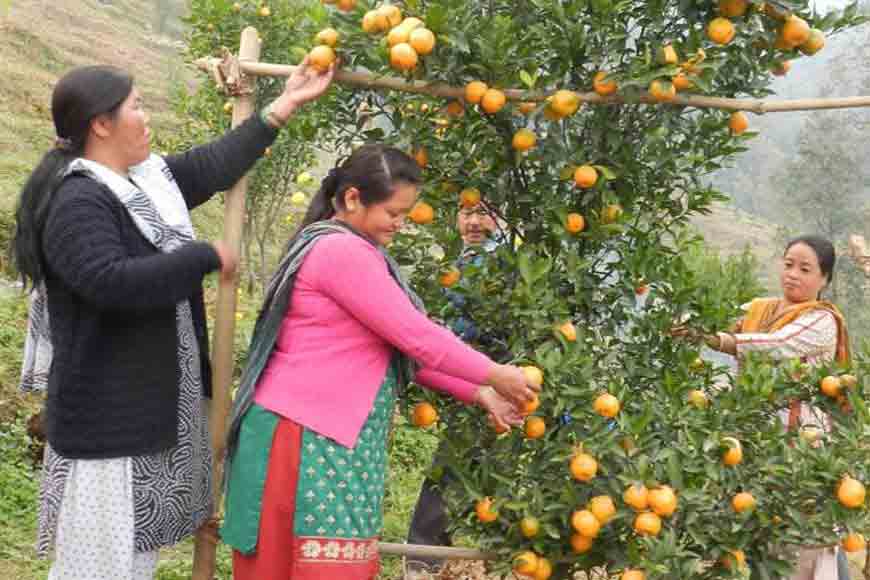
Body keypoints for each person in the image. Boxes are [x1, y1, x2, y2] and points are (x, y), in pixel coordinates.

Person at [12, 60, 334, 579]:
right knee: (99, 567)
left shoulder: (140, 184)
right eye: (136, 106)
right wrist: (202, 255)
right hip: (105, 420)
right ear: (101, 124)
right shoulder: (80, 199)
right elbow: (110, 283)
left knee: (133, 560)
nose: (146, 117)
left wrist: (285, 104)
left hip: (141, 410)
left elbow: (211, 166)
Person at [221, 145, 537, 580]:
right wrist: (496, 373)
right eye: (393, 212)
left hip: (323, 435)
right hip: (304, 437)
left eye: (406, 213)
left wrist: (480, 392)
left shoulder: (354, 249)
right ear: (353, 198)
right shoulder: (340, 253)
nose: (401, 223)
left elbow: (395, 348)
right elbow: (416, 335)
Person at [672, 235, 850, 580]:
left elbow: (777, 345)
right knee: (760, 537)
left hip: (802, 447)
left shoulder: (822, 321)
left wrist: (718, 340)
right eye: (788, 265)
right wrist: (687, 318)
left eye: (805, 269)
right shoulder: (761, 309)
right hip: (757, 441)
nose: (793, 275)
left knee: (806, 539)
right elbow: (720, 317)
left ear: (824, 279)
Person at [404, 198, 507, 578]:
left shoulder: (498, 264)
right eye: (467, 212)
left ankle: (421, 563)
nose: (474, 222)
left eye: (484, 211)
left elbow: (462, 333)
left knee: (454, 471)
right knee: (458, 472)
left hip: (492, 386)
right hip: (474, 387)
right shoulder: (460, 262)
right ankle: (428, 561)